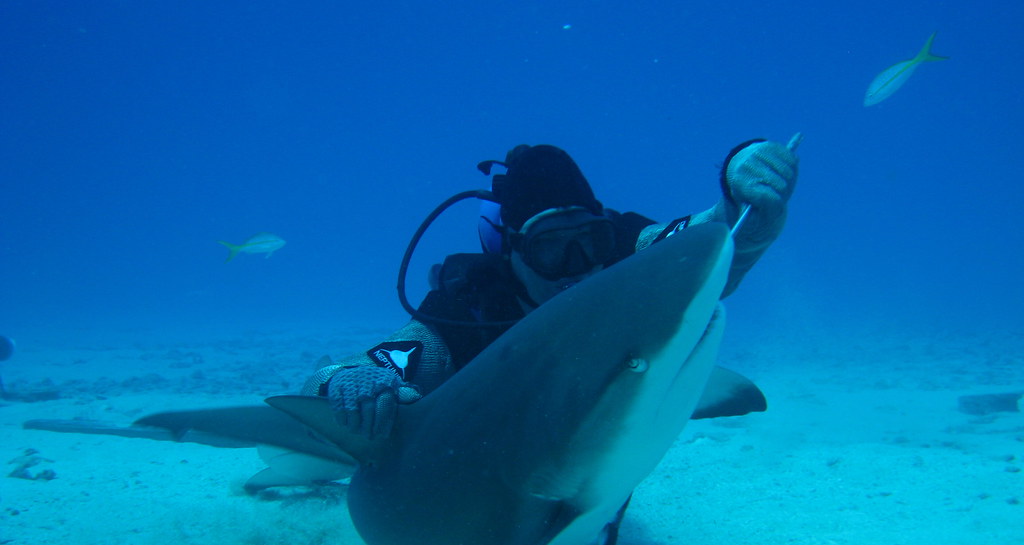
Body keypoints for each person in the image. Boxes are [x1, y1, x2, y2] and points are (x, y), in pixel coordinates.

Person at [303, 140, 799, 440]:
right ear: (512, 251)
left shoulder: (628, 258)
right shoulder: (466, 311)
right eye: (551, 249)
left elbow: (707, 239)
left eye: (591, 240)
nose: (578, 267)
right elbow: (373, 365)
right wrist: (343, 380)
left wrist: (742, 194)